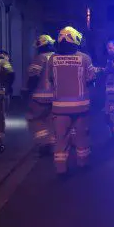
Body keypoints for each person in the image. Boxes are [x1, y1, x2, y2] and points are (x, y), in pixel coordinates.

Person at [48, 26, 96, 175]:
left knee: (61, 139)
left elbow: (50, 78)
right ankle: (82, 163)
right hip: (81, 107)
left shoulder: (52, 59)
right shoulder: (85, 58)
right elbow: (91, 78)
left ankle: (61, 169)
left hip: (59, 108)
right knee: (81, 136)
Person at [26, 35, 56, 157]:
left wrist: (28, 90)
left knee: (34, 119)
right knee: (51, 120)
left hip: (40, 96)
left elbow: (33, 76)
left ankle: (44, 143)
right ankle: (52, 142)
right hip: (56, 97)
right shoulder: (57, 57)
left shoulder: (40, 58)